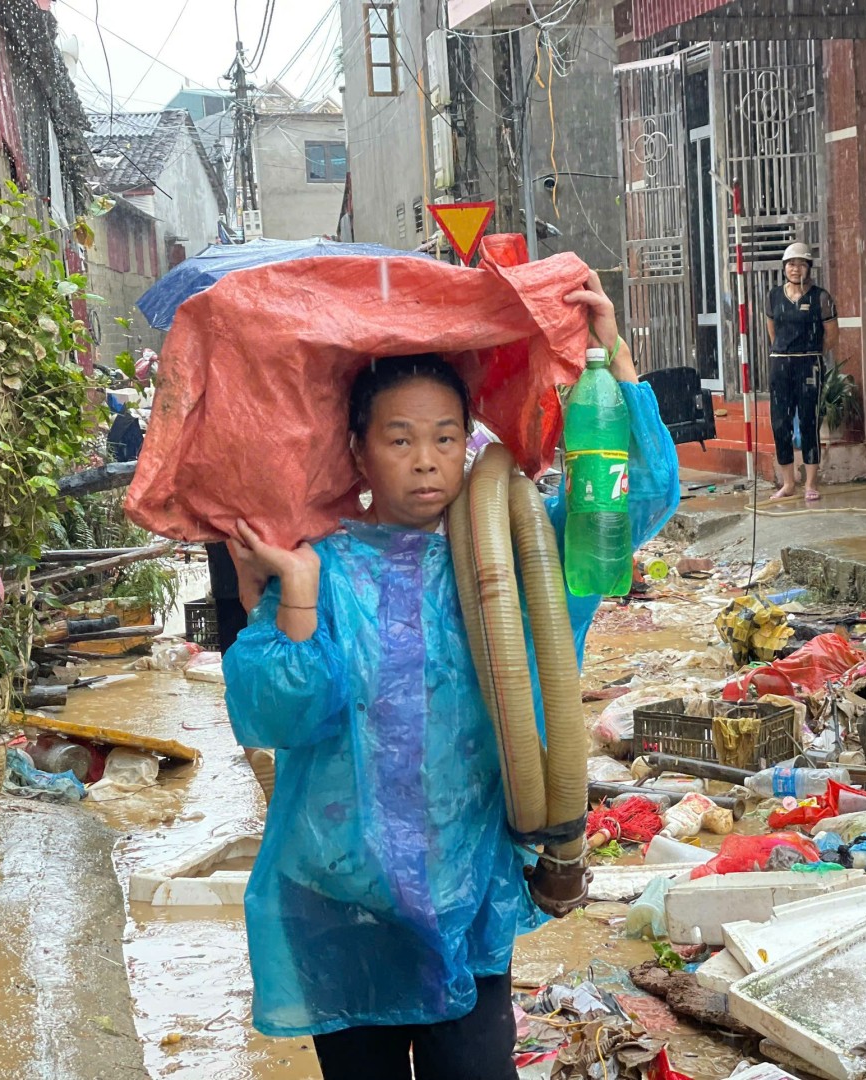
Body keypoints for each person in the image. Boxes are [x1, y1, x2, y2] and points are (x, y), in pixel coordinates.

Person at [220, 269, 680, 1080]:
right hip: (341, 897)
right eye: (399, 440)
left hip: (467, 892)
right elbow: (274, 717)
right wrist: (294, 594)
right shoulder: (323, 566)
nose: (426, 462)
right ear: (359, 448)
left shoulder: (513, 551)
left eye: (444, 437)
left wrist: (612, 353)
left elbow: (630, 497)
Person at [766, 242, 838, 502]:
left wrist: (810, 352)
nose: (795, 269)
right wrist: (784, 352)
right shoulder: (774, 296)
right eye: (791, 264)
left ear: (809, 268)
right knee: (780, 423)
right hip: (780, 364)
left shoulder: (821, 297)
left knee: (809, 422)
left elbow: (832, 335)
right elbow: (772, 330)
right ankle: (788, 483)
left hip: (809, 364)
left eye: (801, 264)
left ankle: (810, 483)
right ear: (784, 267)